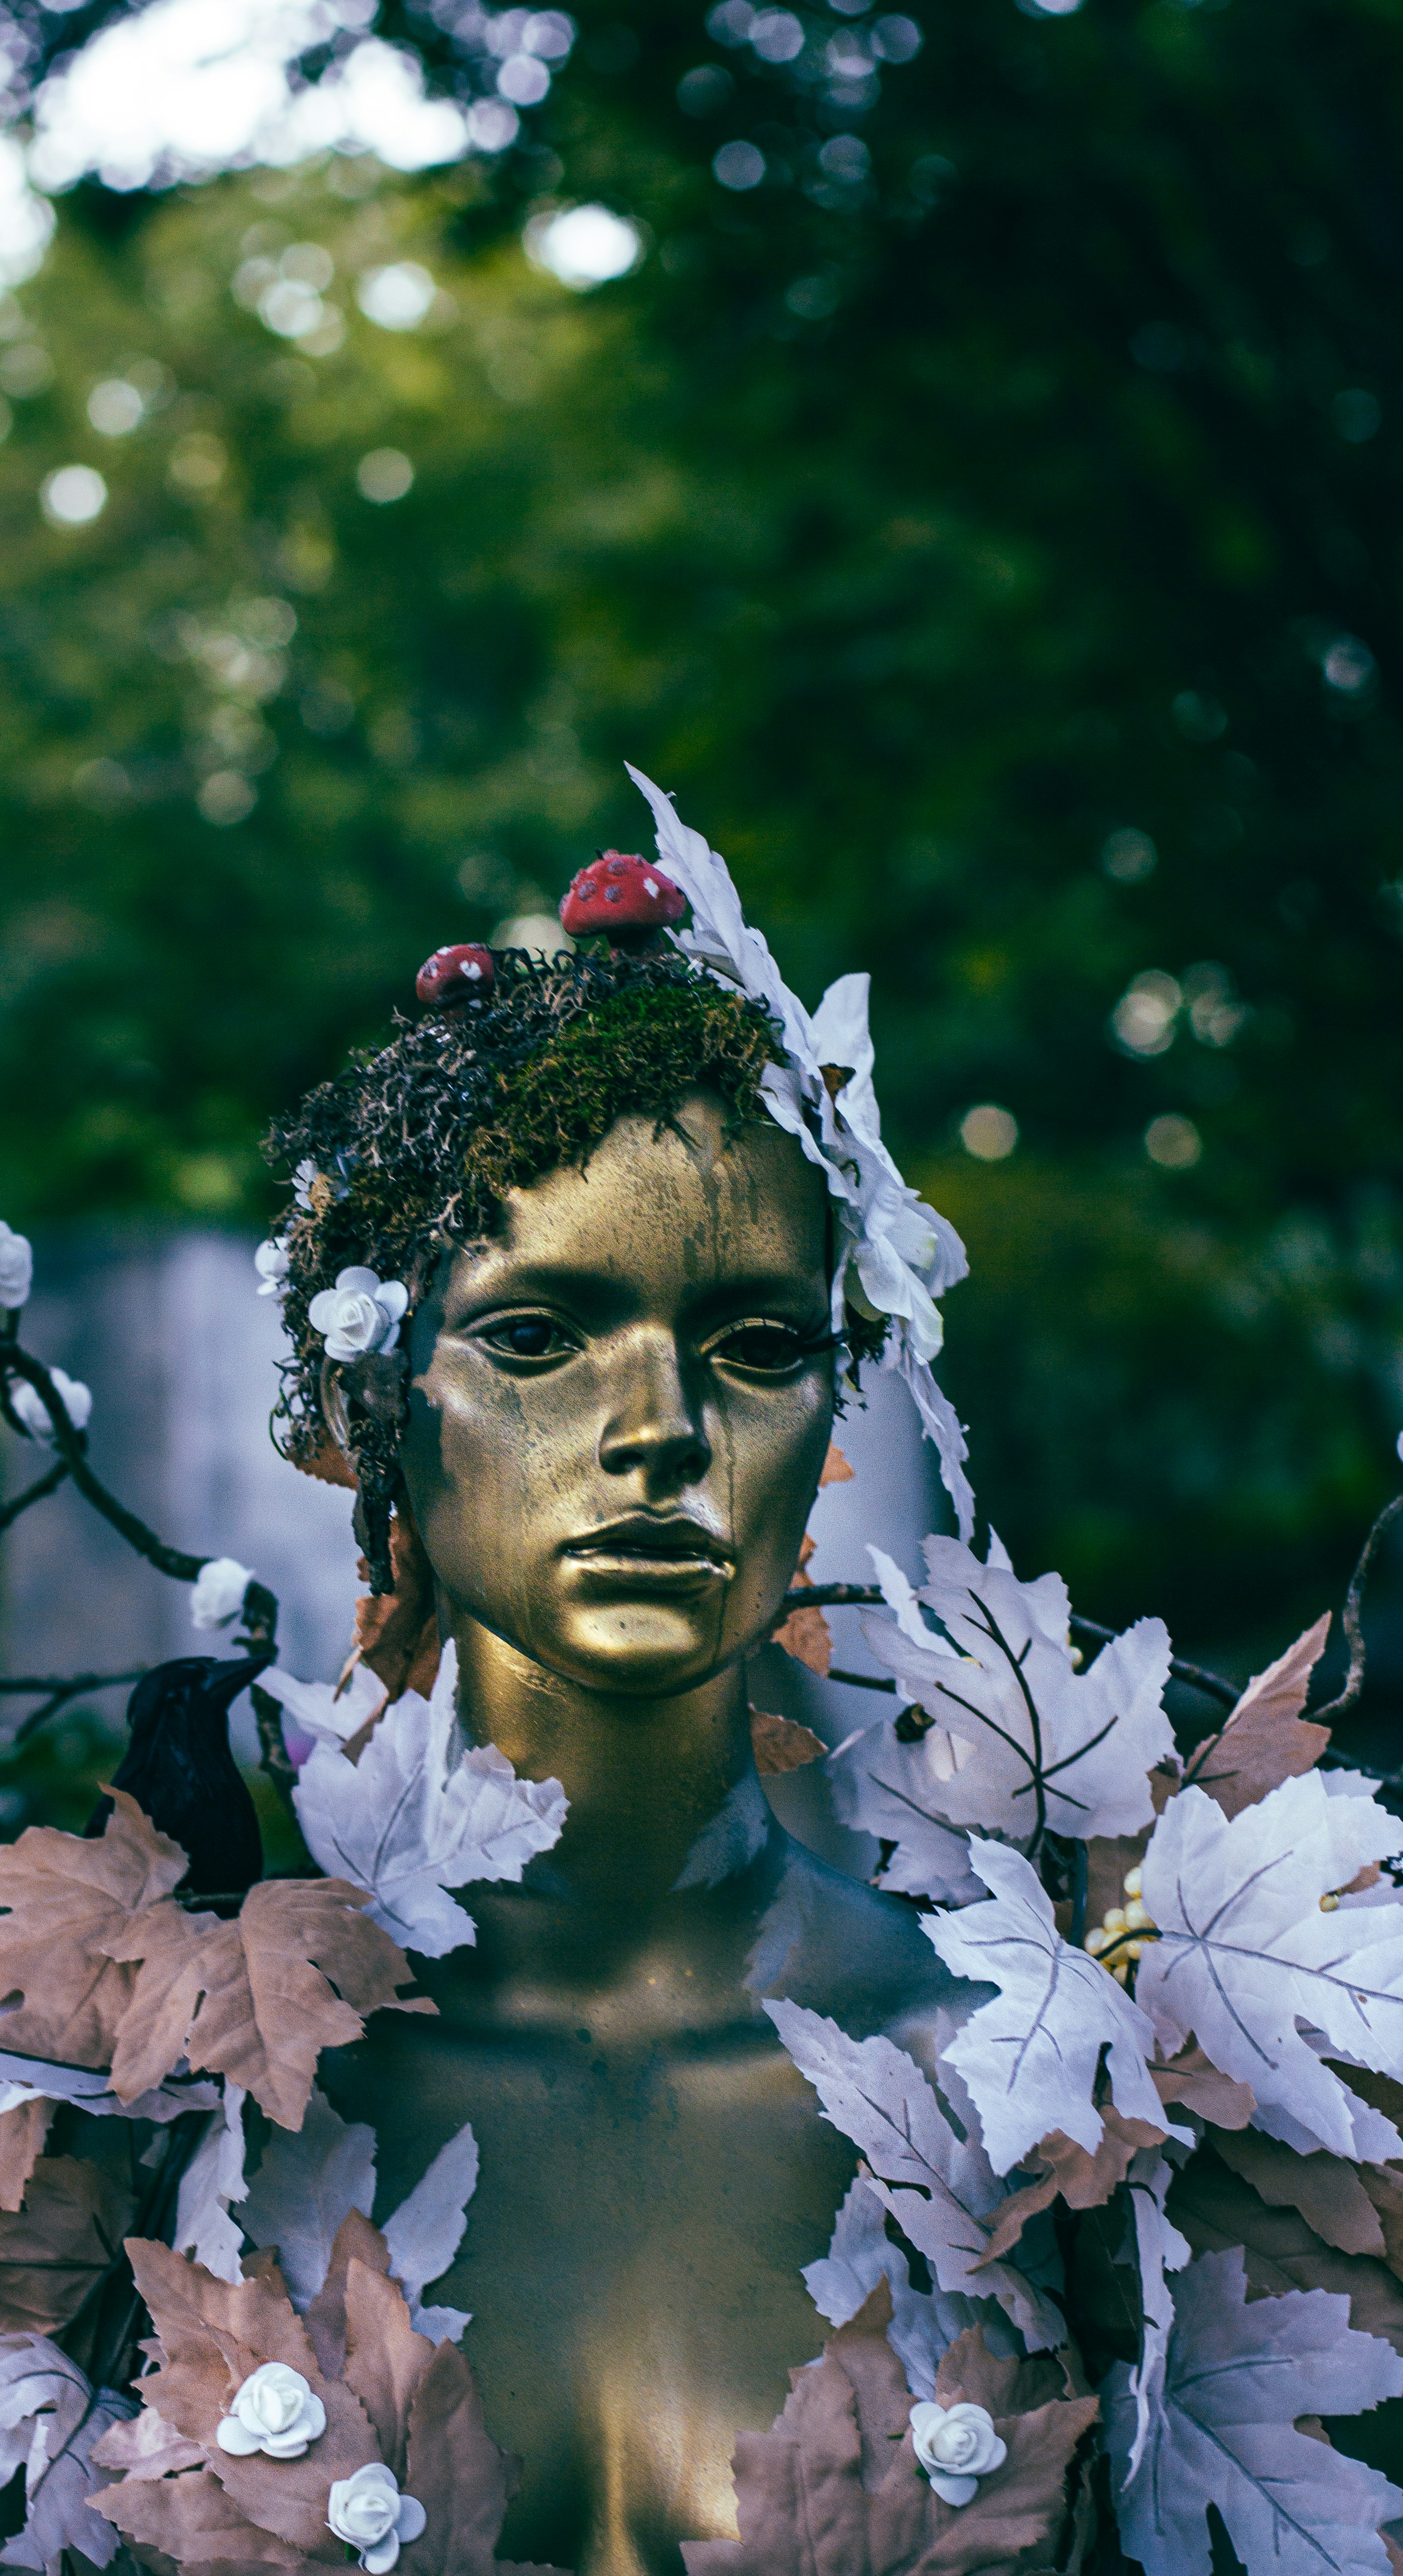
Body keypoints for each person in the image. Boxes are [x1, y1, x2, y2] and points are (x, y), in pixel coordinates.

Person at [269, 829, 968, 2574]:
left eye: (756, 1343)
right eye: (535, 1337)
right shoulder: (177, 2108)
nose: (660, 1426)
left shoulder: (1036, 2096)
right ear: (377, 1410)